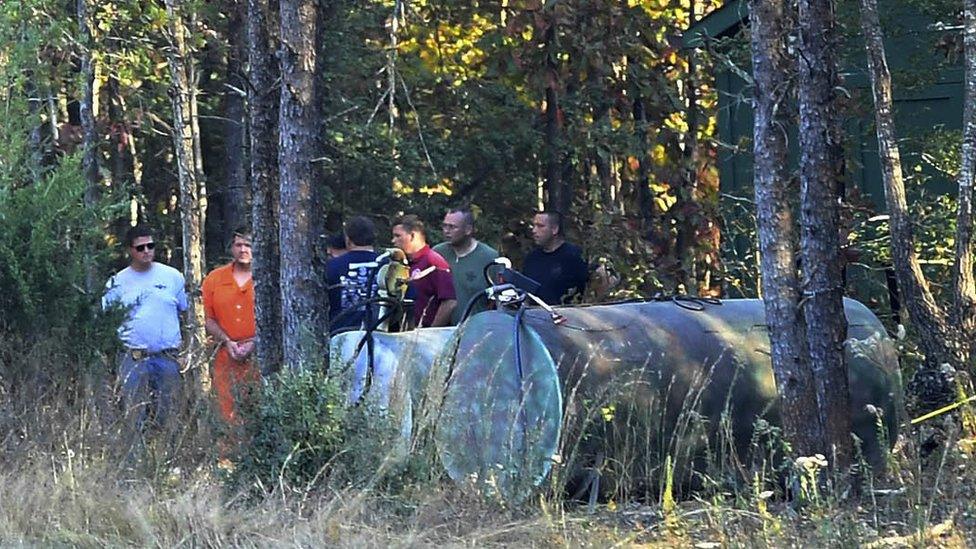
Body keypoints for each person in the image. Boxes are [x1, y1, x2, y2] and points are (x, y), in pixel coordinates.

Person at [102, 224, 186, 443]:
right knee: (133, 414)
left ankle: (170, 461)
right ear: (130, 250)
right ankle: (133, 467)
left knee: (170, 413)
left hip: (167, 357)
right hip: (133, 358)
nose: (146, 251)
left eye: (151, 246)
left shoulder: (173, 277)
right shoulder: (117, 282)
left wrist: (186, 350)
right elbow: (107, 321)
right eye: (140, 248)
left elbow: (186, 313)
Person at [202, 227, 259, 429]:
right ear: (232, 248)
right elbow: (208, 319)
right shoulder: (214, 279)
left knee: (258, 408)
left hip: (260, 356)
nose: (243, 249)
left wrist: (254, 343)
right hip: (226, 355)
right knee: (226, 410)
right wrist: (228, 341)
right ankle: (228, 457)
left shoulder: (267, 277)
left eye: (249, 245)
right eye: (239, 245)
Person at [433, 207, 499, 324]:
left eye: (452, 227)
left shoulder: (489, 258)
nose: (446, 231)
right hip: (440, 332)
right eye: (444, 226)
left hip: (475, 332)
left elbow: (499, 302)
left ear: (468, 230)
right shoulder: (438, 254)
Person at [391, 214, 456, 328]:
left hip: (423, 336)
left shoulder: (434, 262)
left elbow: (450, 302)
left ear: (412, 236)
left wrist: (431, 333)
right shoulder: (401, 263)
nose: (393, 241)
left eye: (397, 236)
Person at [522, 211, 588, 305]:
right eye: (534, 225)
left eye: (540, 226)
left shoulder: (574, 256)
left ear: (555, 229)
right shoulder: (532, 258)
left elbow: (601, 278)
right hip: (533, 314)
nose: (534, 230)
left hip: (567, 315)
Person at [327, 216, 379, 331]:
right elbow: (409, 297)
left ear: (348, 239)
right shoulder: (390, 265)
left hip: (341, 335)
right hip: (384, 339)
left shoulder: (332, 266)